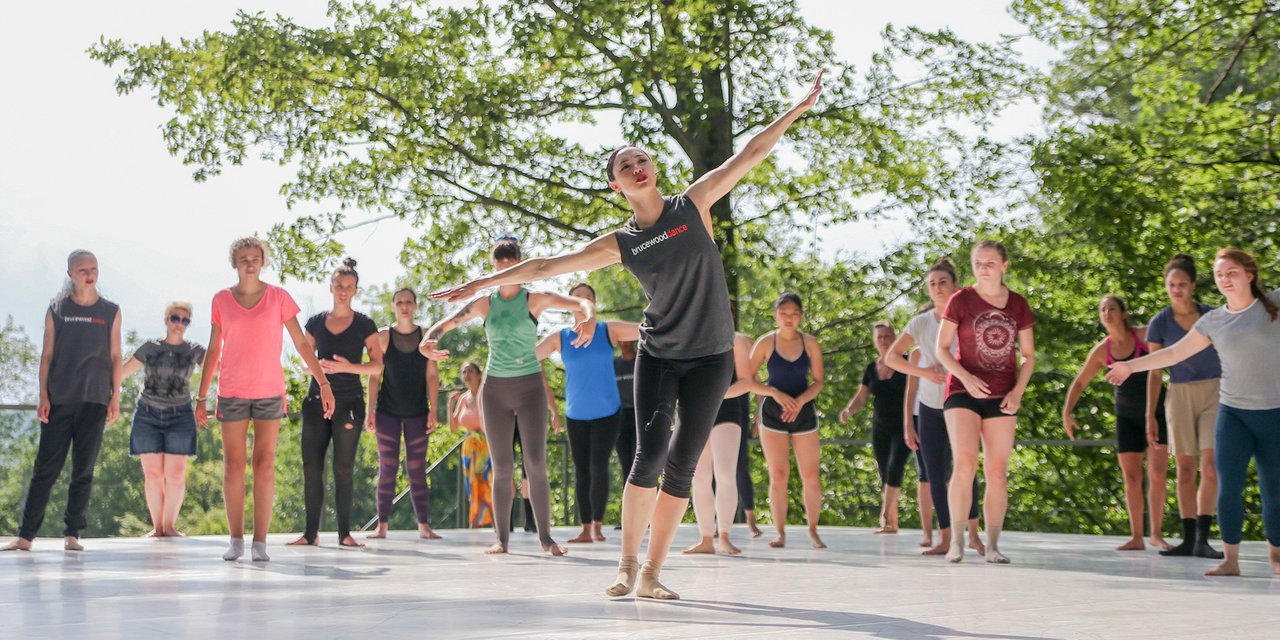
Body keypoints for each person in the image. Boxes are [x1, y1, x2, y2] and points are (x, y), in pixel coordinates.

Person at [431, 71, 824, 599]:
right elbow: (546, 264)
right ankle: (624, 564)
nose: (636, 167)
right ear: (616, 185)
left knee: (683, 468)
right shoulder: (621, 242)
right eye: (624, 166)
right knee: (648, 459)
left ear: (654, 169)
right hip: (660, 354)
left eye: (641, 159)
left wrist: (797, 108)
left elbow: (751, 153)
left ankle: (652, 575)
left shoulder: (694, 203)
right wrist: (483, 281)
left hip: (710, 359)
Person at [1106, 248, 1280, 577]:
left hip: (1274, 413)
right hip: (1234, 414)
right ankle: (1230, 559)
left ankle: (1277, 556)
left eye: (1231, 272)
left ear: (1249, 275)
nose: (1225, 279)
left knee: (1274, 487)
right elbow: (1173, 353)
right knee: (1228, 486)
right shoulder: (1214, 320)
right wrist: (1130, 365)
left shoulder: (1273, 305)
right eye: (1219, 275)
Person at [420, 236, 594, 556]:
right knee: (502, 467)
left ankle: (546, 539)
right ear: (493, 266)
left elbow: (581, 303)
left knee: (535, 464)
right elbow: (443, 325)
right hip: (495, 390)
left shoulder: (534, 299)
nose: (504, 266)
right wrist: (427, 341)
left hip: (529, 388)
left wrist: (589, 317)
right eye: (499, 261)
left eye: (510, 260)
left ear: (520, 264)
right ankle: (501, 539)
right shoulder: (485, 304)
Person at [194, 237, 334, 562]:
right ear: (234, 263)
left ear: (263, 261)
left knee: (265, 465)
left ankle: (260, 543)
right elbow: (214, 349)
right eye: (243, 258)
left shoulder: (279, 298)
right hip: (231, 392)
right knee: (233, 467)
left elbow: (301, 343)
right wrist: (202, 395)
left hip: (270, 391)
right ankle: (236, 540)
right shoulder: (221, 300)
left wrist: (323, 381)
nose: (249, 263)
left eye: (255, 257)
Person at [4, 250, 122, 553]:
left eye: (93, 268)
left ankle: (72, 535)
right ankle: (25, 536)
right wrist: (43, 396)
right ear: (70, 274)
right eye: (82, 270)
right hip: (60, 399)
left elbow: (115, 357)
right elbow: (47, 356)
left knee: (84, 469)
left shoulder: (110, 310)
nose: (89, 274)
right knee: (46, 469)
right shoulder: (57, 308)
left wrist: (115, 397)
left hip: (95, 398)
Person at [935, 240, 1035, 564]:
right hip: (963, 391)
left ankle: (992, 546)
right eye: (978, 262)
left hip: (1003, 394)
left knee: (997, 471)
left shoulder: (1018, 305)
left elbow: (1029, 356)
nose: (983, 268)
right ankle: (957, 543)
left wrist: (1017, 392)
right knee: (964, 464)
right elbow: (942, 349)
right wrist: (965, 378)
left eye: (990, 262)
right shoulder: (960, 300)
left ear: (1004, 265)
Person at [882, 259, 984, 556]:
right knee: (935, 473)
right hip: (928, 405)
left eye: (943, 282)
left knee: (965, 469)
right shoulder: (920, 323)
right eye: (932, 284)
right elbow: (891, 357)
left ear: (955, 286)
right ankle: (946, 538)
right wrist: (927, 373)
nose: (937, 287)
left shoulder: (968, 318)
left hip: (962, 402)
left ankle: (974, 535)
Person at [1062, 295, 1170, 551]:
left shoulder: (1143, 336)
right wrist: (1067, 411)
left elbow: (1164, 363)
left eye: (1112, 308)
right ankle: (1136, 537)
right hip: (1126, 417)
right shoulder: (1102, 350)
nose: (1107, 313)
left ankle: (1156, 533)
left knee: (1157, 474)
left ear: (1123, 313)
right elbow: (1079, 382)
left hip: (1155, 414)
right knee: (1131, 477)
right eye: (1102, 309)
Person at [286, 258, 381, 548]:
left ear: (355, 290)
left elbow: (377, 367)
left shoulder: (365, 323)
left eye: (349, 287)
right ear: (331, 287)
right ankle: (310, 533)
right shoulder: (315, 322)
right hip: (316, 402)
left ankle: (344, 534)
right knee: (312, 467)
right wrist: (318, 368)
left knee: (343, 467)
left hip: (349, 402)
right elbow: (304, 362)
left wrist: (346, 368)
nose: (343, 291)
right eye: (339, 285)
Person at [537, 282, 640, 544]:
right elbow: (528, 356)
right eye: (576, 298)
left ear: (593, 304)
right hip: (575, 414)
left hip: (608, 413)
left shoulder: (608, 330)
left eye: (587, 298)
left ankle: (597, 525)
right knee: (582, 471)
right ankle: (585, 528)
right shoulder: (560, 337)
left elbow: (644, 330)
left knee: (598, 466)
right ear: (568, 305)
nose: (582, 302)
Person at [1144, 254, 1225, 559]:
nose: (1176, 289)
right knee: (1186, 469)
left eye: (1182, 284)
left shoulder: (1212, 317)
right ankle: (1188, 538)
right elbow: (1154, 371)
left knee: (1211, 466)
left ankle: (1204, 538)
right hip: (1178, 395)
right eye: (1171, 284)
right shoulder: (1160, 323)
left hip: (1214, 391)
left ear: (1192, 286)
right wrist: (1150, 414)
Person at [121, 301, 205, 538]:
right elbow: (123, 372)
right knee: (153, 474)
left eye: (185, 321)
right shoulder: (150, 348)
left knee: (176, 474)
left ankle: (170, 527)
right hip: (148, 413)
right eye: (175, 319)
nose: (180, 325)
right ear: (167, 320)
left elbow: (219, 367)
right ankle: (157, 528)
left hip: (181, 415)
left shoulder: (194, 350)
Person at [754, 292, 827, 549]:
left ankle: (813, 529)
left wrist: (800, 402)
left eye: (794, 313)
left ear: (801, 316)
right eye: (784, 313)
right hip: (774, 413)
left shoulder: (810, 343)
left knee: (811, 475)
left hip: (804, 412)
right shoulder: (765, 342)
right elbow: (748, 379)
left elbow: (818, 381)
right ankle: (780, 532)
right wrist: (774, 393)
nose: (788, 318)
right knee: (778, 474)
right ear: (776, 314)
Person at [368, 287, 441, 540]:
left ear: (416, 306)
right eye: (399, 302)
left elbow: (432, 375)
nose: (404, 306)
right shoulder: (383, 337)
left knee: (417, 469)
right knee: (387, 468)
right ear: (393, 306)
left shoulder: (426, 336)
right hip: (387, 411)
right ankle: (382, 527)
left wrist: (434, 409)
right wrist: (370, 411)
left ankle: (424, 526)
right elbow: (374, 376)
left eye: (409, 302)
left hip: (418, 412)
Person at [684, 331, 761, 556]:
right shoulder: (689, 336)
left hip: (727, 411)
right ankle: (706, 538)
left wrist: (715, 394)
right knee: (700, 478)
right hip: (695, 411)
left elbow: (747, 381)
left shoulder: (735, 340)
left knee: (726, 473)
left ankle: (725, 535)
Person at [840, 321, 910, 534]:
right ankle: (893, 521)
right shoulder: (871, 368)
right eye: (879, 337)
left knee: (894, 467)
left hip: (904, 425)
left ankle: (886, 518)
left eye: (887, 336)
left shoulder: (906, 363)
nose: (883, 341)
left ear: (895, 338)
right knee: (884, 472)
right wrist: (848, 410)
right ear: (874, 341)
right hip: (881, 427)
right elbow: (861, 397)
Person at [450, 361, 493, 528]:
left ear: (479, 374)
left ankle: (498, 524)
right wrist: (450, 405)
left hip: (486, 444)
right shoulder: (463, 399)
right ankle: (474, 523)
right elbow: (454, 427)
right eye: (464, 372)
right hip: (469, 448)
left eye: (470, 371)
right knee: (472, 486)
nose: (467, 375)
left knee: (488, 484)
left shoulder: (486, 395)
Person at [613, 339, 637, 531]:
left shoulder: (640, 361)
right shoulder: (614, 364)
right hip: (620, 418)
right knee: (626, 466)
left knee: (643, 466)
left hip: (640, 416)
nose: (624, 343)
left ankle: (647, 517)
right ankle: (628, 518)